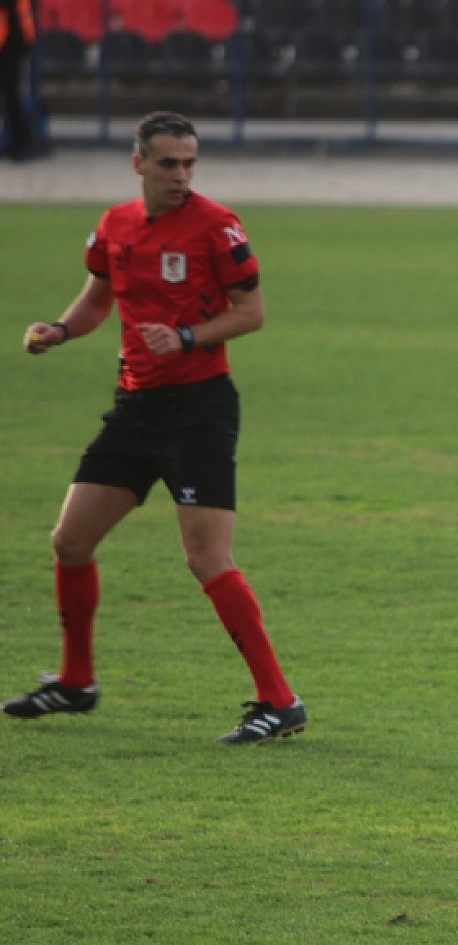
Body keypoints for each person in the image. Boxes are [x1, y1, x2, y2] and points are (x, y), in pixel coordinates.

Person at [7, 112, 305, 745]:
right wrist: (59, 330)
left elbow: (251, 312)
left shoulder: (217, 227)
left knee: (206, 558)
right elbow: (97, 297)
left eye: (190, 163)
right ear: (137, 163)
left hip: (199, 409)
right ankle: (76, 681)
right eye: (169, 163)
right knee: (69, 541)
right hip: (136, 409)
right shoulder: (115, 225)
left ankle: (280, 701)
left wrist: (189, 337)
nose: (181, 175)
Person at [0, 0, 37, 159]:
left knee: (12, 95)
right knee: (11, 95)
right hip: (14, 40)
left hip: (13, 42)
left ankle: (20, 142)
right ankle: (18, 141)